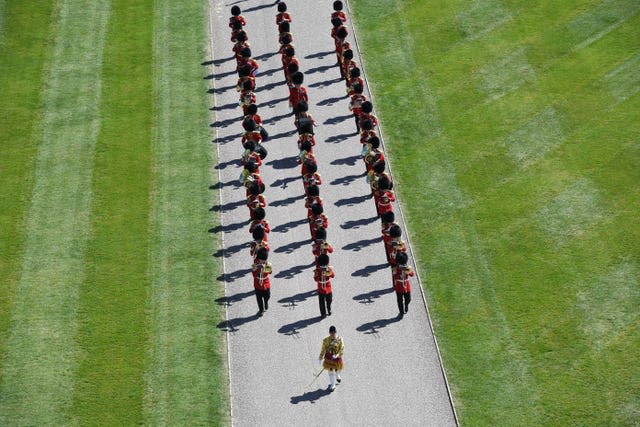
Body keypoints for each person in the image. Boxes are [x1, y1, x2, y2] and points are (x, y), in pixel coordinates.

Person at [318, 325, 344, 391]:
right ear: (329, 333)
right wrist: (320, 358)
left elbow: (342, 348)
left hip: (337, 358)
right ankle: (333, 385)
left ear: (336, 332)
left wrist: (338, 354)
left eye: (334, 333)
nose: (333, 334)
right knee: (330, 372)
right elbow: (323, 349)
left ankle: (337, 375)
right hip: (329, 358)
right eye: (331, 333)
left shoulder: (340, 340)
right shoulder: (326, 340)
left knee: (338, 370)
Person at [392, 252, 414, 317]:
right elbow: (394, 276)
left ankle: (406, 305)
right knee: (400, 301)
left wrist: (407, 270)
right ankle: (401, 313)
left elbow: (412, 274)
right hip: (399, 286)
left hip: (406, 285)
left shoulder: (406, 267)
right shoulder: (395, 268)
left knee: (408, 299)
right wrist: (399, 274)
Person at [252, 247, 272, 315]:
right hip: (257, 285)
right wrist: (257, 268)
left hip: (266, 284)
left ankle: (266, 302)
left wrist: (265, 268)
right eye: (262, 260)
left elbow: (270, 272)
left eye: (264, 260)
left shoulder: (267, 263)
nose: (263, 261)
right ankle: (261, 310)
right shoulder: (255, 263)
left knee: (267, 296)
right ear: (258, 258)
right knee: (259, 299)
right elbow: (254, 275)